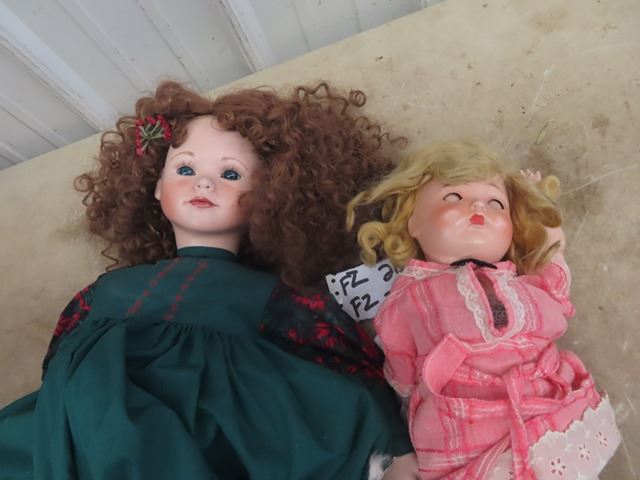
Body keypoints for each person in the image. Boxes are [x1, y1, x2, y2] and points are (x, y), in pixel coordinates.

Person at [0, 81, 417, 479]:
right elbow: (59, 365)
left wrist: (398, 447)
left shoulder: (270, 298)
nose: (203, 182)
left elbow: (348, 364)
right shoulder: (105, 292)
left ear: (268, 197)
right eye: (185, 168)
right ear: (156, 187)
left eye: (231, 174)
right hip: (79, 434)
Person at [346, 141, 621, 479]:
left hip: (548, 407)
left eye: (496, 203)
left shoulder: (521, 281)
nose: (478, 205)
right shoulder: (409, 297)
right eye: (453, 197)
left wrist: (539, 207)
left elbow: (554, 267)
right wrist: (406, 411)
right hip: (466, 427)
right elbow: (401, 370)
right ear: (413, 222)